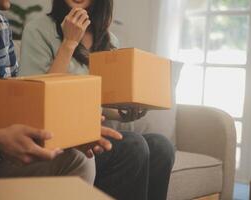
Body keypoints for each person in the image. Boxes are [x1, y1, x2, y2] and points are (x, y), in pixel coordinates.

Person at [20, 0, 175, 200]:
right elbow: (36, 100)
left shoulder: (109, 40)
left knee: (162, 147)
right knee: (134, 146)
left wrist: (123, 112)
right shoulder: (38, 30)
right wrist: (69, 43)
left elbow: (100, 100)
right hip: (57, 139)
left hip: (90, 133)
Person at [0, 0, 122, 184]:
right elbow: (37, 104)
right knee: (115, 152)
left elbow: (15, 109)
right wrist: (69, 43)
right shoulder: (38, 29)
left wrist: (128, 109)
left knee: (155, 146)